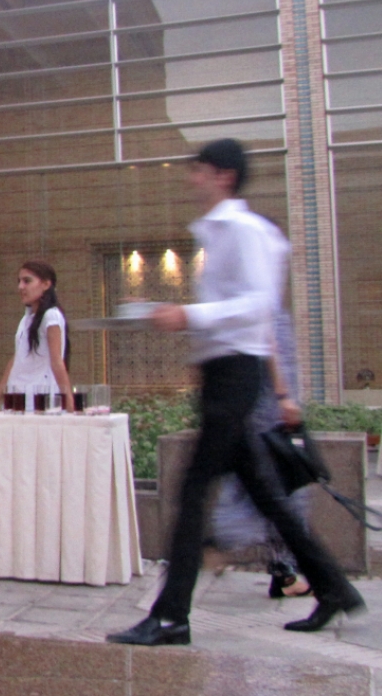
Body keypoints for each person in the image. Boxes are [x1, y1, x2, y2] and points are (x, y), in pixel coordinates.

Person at [107, 138, 364, 646]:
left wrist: (189, 315)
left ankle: (171, 615)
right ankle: (334, 589)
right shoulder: (221, 233)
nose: (191, 180)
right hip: (223, 375)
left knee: (193, 489)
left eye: (198, 171)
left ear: (222, 175)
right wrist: (176, 319)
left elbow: (257, 306)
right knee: (267, 495)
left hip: (236, 377)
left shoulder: (244, 232)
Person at [210, 308, 312, 598]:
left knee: (269, 488)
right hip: (268, 408)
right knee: (278, 490)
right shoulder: (262, 294)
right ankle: (218, 544)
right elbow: (269, 341)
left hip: (258, 404)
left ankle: (284, 571)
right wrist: (284, 396)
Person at [0, 261, 74, 412]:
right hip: (16, 396)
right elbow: (17, 359)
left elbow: (57, 362)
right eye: (19, 281)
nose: (21, 287)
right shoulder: (26, 318)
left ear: (46, 284)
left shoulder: (51, 316)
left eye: (27, 281)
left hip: (39, 399)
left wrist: (69, 403)